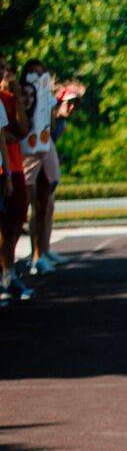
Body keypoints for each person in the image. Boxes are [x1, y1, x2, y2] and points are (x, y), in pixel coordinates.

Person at [19, 59, 71, 273]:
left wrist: (59, 112)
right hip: (29, 152)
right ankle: (35, 255)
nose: (39, 78)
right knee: (29, 207)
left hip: (45, 147)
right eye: (34, 73)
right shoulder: (23, 95)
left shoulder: (46, 96)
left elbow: (52, 124)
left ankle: (43, 251)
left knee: (46, 203)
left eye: (42, 74)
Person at [0, 58, 32, 304]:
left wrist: (18, 97)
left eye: (7, 69)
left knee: (15, 222)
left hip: (12, 167)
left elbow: (20, 131)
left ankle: (8, 274)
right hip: (6, 169)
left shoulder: (8, 99)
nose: (6, 74)